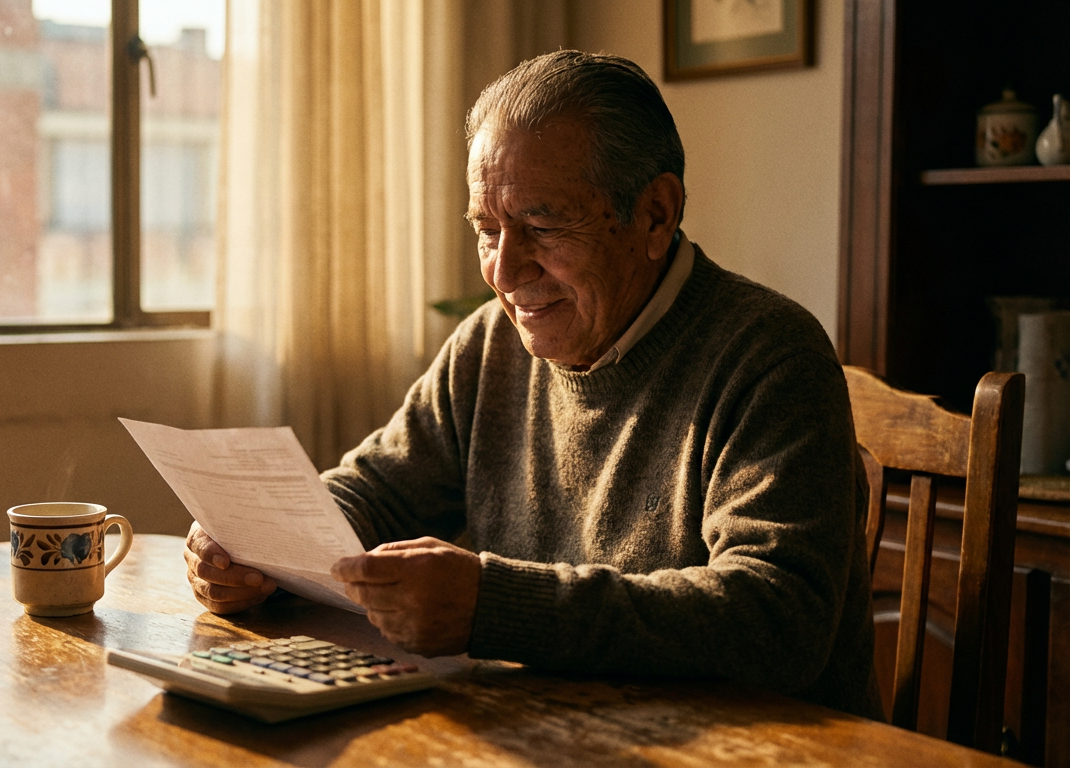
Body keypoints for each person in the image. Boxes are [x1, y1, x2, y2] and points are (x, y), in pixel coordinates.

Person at [183, 50, 884, 720]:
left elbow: (777, 617)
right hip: (554, 733)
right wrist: (255, 548)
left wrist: (496, 606)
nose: (505, 271)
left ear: (655, 215)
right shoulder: (490, 345)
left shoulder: (769, 353)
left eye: (542, 224)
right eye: (487, 229)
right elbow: (375, 490)